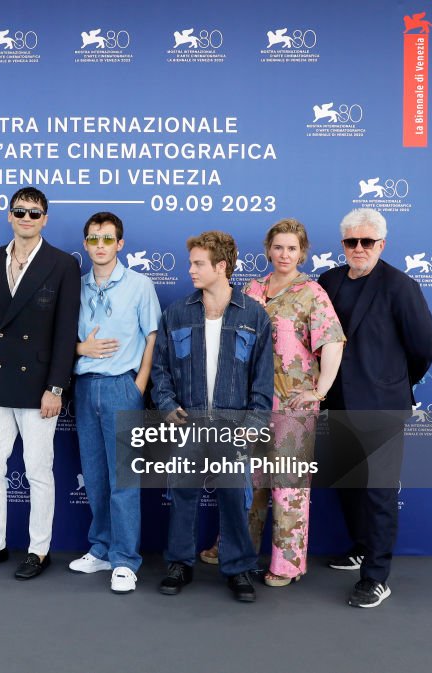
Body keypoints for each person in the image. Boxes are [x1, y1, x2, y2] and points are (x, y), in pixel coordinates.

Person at [0, 186, 80, 580]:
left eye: (34, 212)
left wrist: (56, 387)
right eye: (20, 210)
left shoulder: (63, 264)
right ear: (9, 215)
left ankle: (38, 551)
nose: (26, 217)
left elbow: (65, 331)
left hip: (39, 386)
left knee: (38, 472)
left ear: (45, 219)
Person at [317, 208, 432, 608]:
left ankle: (376, 576)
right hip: (337, 404)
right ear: (343, 244)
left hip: (382, 407)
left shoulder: (401, 287)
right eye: (352, 241)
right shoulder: (329, 281)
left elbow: (423, 348)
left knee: (379, 492)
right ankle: (361, 547)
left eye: (367, 241)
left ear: (382, 244)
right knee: (349, 486)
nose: (359, 248)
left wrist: (392, 384)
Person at [151, 231, 273, 602]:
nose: (190, 270)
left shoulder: (254, 314)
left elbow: (263, 378)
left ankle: (238, 569)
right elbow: (160, 369)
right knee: (182, 494)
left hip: (233, 425)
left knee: (235, 498)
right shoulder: (177, 313)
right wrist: (166, 405)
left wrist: (254, 425)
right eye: (191, 262)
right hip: (187, 422)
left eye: (198, 263)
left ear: (221, 266)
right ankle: (179, 564)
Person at [242, 218, 345, 587]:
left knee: (288, 485)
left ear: (302, 252)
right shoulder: (252, 289)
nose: (284, 254)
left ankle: (287, 564)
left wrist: (319, 391)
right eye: (278, 247)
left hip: (293, 404)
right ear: (268, 249)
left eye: (292, 248)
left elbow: (332, 342)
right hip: (252, 402)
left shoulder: (312, 293)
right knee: (249, 481)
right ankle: (239, 551)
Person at [68, 212, 160, 594]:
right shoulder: (76, 286)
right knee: (94, 476)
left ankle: (125, 560)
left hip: (123, 387)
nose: (100, 245)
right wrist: (80, 349)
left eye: (108, 239)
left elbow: (152, 336)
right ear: (85, 244)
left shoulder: (139, 285)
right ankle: (102, 548)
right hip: (85, 386)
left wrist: (138, 384)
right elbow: (60, 339)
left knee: (123, 478)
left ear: (120, 243)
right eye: (93, 239)